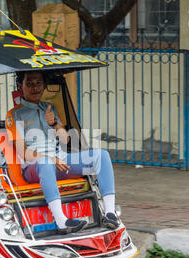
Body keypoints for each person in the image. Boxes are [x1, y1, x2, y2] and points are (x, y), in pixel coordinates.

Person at [6, 71, 120, 234]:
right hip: (34, 167)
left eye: (38, 83)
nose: (35, 87)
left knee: (101, 155)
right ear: (20, 86)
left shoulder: (49, 108)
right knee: (46, 163)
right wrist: (52, 159)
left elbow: (66, 140)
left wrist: (54, 124)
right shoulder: (14, 115)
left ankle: (110, 213)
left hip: (60, 161)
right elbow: (24, 153)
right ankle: (62, 221)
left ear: (44, 86)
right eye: (29, 83)